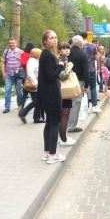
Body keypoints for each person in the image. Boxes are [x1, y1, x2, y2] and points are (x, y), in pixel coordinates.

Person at [37, 30, 66, 164]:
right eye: (51, 38)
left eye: (55, 37)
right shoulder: (48, 55)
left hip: (46, 94)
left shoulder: (46, 54)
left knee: (49, 123)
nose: (54, 40)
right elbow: (50, 76)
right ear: (45, 41)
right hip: (52, 94)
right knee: (54, 123)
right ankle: (53, 155)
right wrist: (61, 66)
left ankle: (47, 152)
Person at [67, 35, 90, 133]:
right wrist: (86, 85)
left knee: (66, 103)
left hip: (66, 81)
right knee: (76, 103)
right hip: (78, 81)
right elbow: (86, 72)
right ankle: (71, 126)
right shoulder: (83, 55)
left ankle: (63, 124)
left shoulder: (67, 53)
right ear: (81, 44)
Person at [58, 42, 76, 146]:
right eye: (64, 48)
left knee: (62, 116)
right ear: (60, 50)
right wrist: (69, 70)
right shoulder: (63, 59)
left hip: (61, 89)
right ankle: (63, 139)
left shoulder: (62, 58)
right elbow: (62, 75)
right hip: (64, 90)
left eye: (68, 48)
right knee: (65, 115)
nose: (66, 50)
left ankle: (61, 137)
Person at [18, 48, 43, 124]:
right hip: (34, 85)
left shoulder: (35, 61)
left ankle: (36, 117)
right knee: (36, 101)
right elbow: (30, 73)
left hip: (36, 84)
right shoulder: (32, 62)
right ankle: (23, 113)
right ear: (37, 54)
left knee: (38, 101)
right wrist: (35, 83)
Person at [81, 32, 102, 113]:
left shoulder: (78, 46)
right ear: (87, 37)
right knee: (93, 87)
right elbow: (97, 58)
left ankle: (84, 107)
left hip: (81, 70)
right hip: (91, 69)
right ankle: (94, 106)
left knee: (83, 88)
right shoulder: (92, 45)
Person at [1, 38, 23, 113]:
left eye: (13, 43)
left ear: (16, 43)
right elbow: (3, 62)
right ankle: (7, 107)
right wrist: (3, 72)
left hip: (18, 75)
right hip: (8, 74)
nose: (11, 44)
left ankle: (20, 105)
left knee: (19, 90)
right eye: (10, 43)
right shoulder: (6, 52)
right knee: (7, 90)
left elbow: (23, 63)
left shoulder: (20, 52)